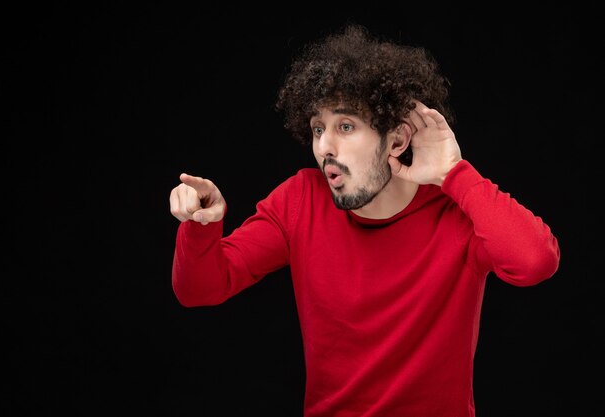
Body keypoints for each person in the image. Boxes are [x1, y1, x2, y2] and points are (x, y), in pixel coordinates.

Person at [168, 24, 560, 417]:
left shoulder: (456, 212)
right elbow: (200, 288)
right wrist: (201, 223)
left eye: (345, 126)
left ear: (396, 140)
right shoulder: (300, 200)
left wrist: (453, 174)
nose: (324, 146)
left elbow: (534, 261)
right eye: (318, 128)